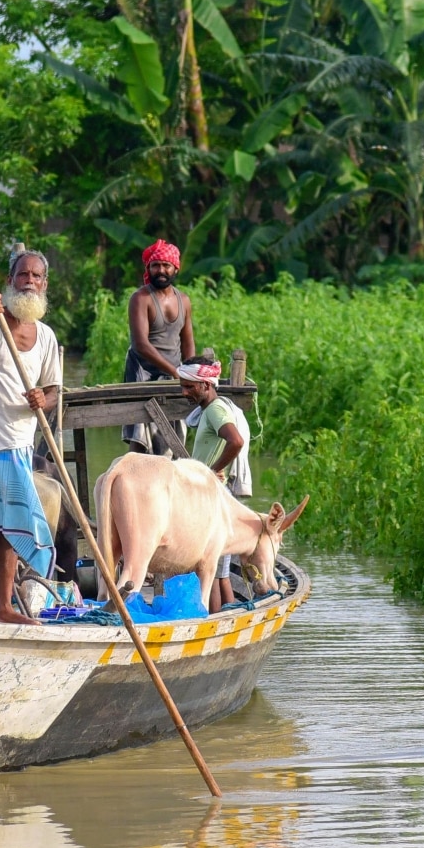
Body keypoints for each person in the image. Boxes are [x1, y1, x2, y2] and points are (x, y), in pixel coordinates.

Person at [0, 250, 63, 624]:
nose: (30, 281)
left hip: (20, 442)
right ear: (10, 280)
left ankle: (4, 606)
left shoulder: (46, 336)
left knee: (11, 526)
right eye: (23, 275)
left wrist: (43, 398)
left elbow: (54, 390)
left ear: (44, 284)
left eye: (36, 276)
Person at [178, 355, 252, 612]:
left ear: (206, 385)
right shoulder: (210, 410)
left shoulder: (216, 409)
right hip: (211, 496)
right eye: (182, 386)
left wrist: (212, 471)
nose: (184, 392)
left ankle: (217, 618)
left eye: (189, 386)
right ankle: (227, 615)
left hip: (213, 498)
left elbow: (236, 441)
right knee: (218, 570)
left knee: (213, 569)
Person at [122, 239, 195, 454]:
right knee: (141, 433)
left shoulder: (184, 300)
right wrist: (176, 372)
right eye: (155, 265)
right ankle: (132, 472)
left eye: (166, 265)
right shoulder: (141, 298)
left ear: (175, 268)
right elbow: (141, 344)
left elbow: (188, 341)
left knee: (175, 431)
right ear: (148, 269)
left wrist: (190, 371)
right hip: (142, 372)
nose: (160, 270)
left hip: (174, 372)